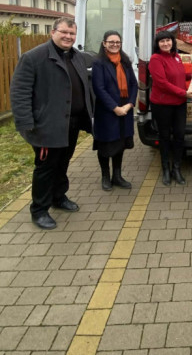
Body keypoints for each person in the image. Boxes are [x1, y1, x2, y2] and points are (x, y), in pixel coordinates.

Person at [10, 17, 93, 230]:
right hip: (47, 126)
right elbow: (20, 92)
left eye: (72, 33)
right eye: (64, 32)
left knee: (63, 163)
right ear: (53, 32)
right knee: (46, 168)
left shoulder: (77, 56)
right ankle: (39, 210)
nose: (68, 37)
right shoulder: (33, 57)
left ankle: (59, 197)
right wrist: (26, 122)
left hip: (72, 123)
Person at [92, 30, 137, 191]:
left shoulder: (125, 61)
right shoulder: (99, 63)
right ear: (104, 43)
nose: (115, 45)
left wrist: (130, 104)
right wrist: (115, 108)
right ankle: (105, 176)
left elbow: (133, 84)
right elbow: (99, 88)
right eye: (111, 42)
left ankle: (117, 176)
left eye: (117, 42)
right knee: (105, 145)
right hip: (107, 111)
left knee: (120, 144)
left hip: (125, 109)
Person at [148, 31, 192, 186]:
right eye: (162, 41)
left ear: (172, 42)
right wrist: (184, 93)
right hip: (163, 105)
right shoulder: (156, 59)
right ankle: (166, 169)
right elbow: (162, 83)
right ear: (157, 44)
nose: (165, 43)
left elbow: (180, 76)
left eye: (168, 40)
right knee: (165, 137)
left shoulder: (176, 57)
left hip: (179, 104)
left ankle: (176, 168)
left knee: (180, 135)